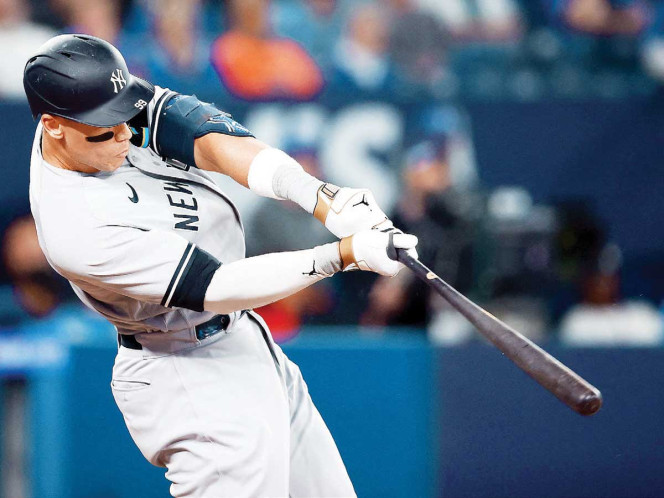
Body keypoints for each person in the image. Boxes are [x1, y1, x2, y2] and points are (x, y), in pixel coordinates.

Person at [23, 34, 417, 497]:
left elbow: (205, 135)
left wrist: (317, 196)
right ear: (52, 126)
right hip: (187, 370)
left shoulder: (87, 107)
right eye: (106, 130)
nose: (126, 133)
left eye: (124, 115)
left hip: (241, 339)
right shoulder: (76, 228)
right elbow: (218, 286)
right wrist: (341, 255)